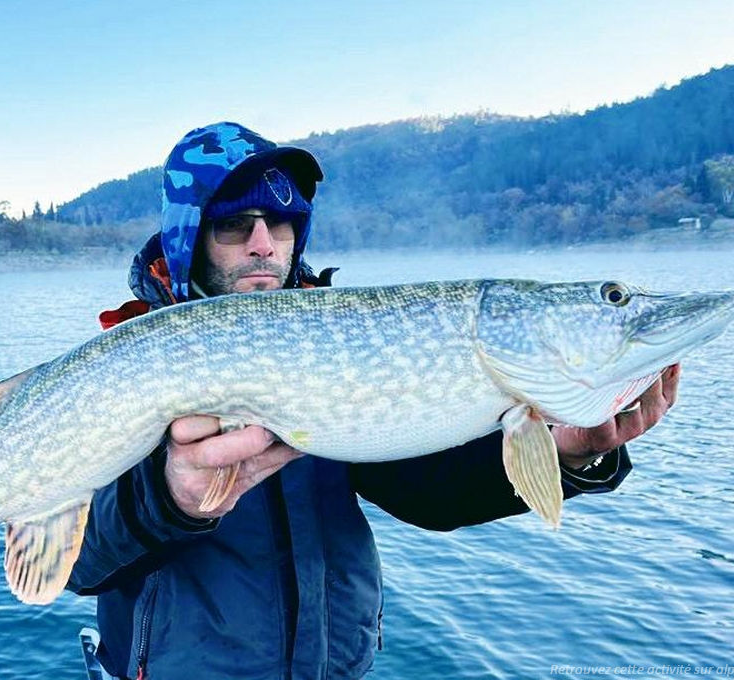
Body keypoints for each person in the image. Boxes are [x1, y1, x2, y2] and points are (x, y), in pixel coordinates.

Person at [67, 122, 680, 680]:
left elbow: (428, 492)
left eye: (280, 223)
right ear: (188, 238)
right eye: (233, 224)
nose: (263, 243)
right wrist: (170, 498)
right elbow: (77, 562)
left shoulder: (342, 348)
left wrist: (568, 454)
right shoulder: (125, 360)